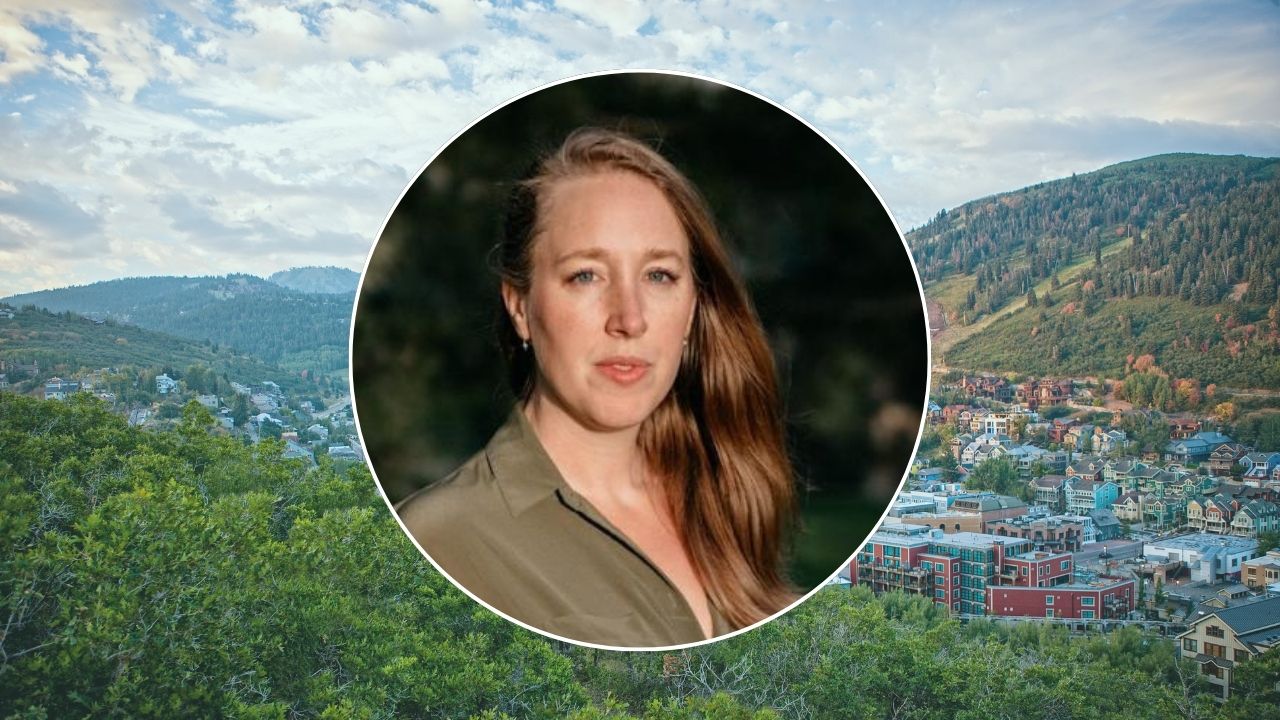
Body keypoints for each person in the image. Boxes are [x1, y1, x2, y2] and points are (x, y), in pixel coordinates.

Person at [395, 127, 796, 647]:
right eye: (586, 275)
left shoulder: (729, 497)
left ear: (693, 308)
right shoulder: (443, 537)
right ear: (520, 307)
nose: (629, 319)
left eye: (659, 276)